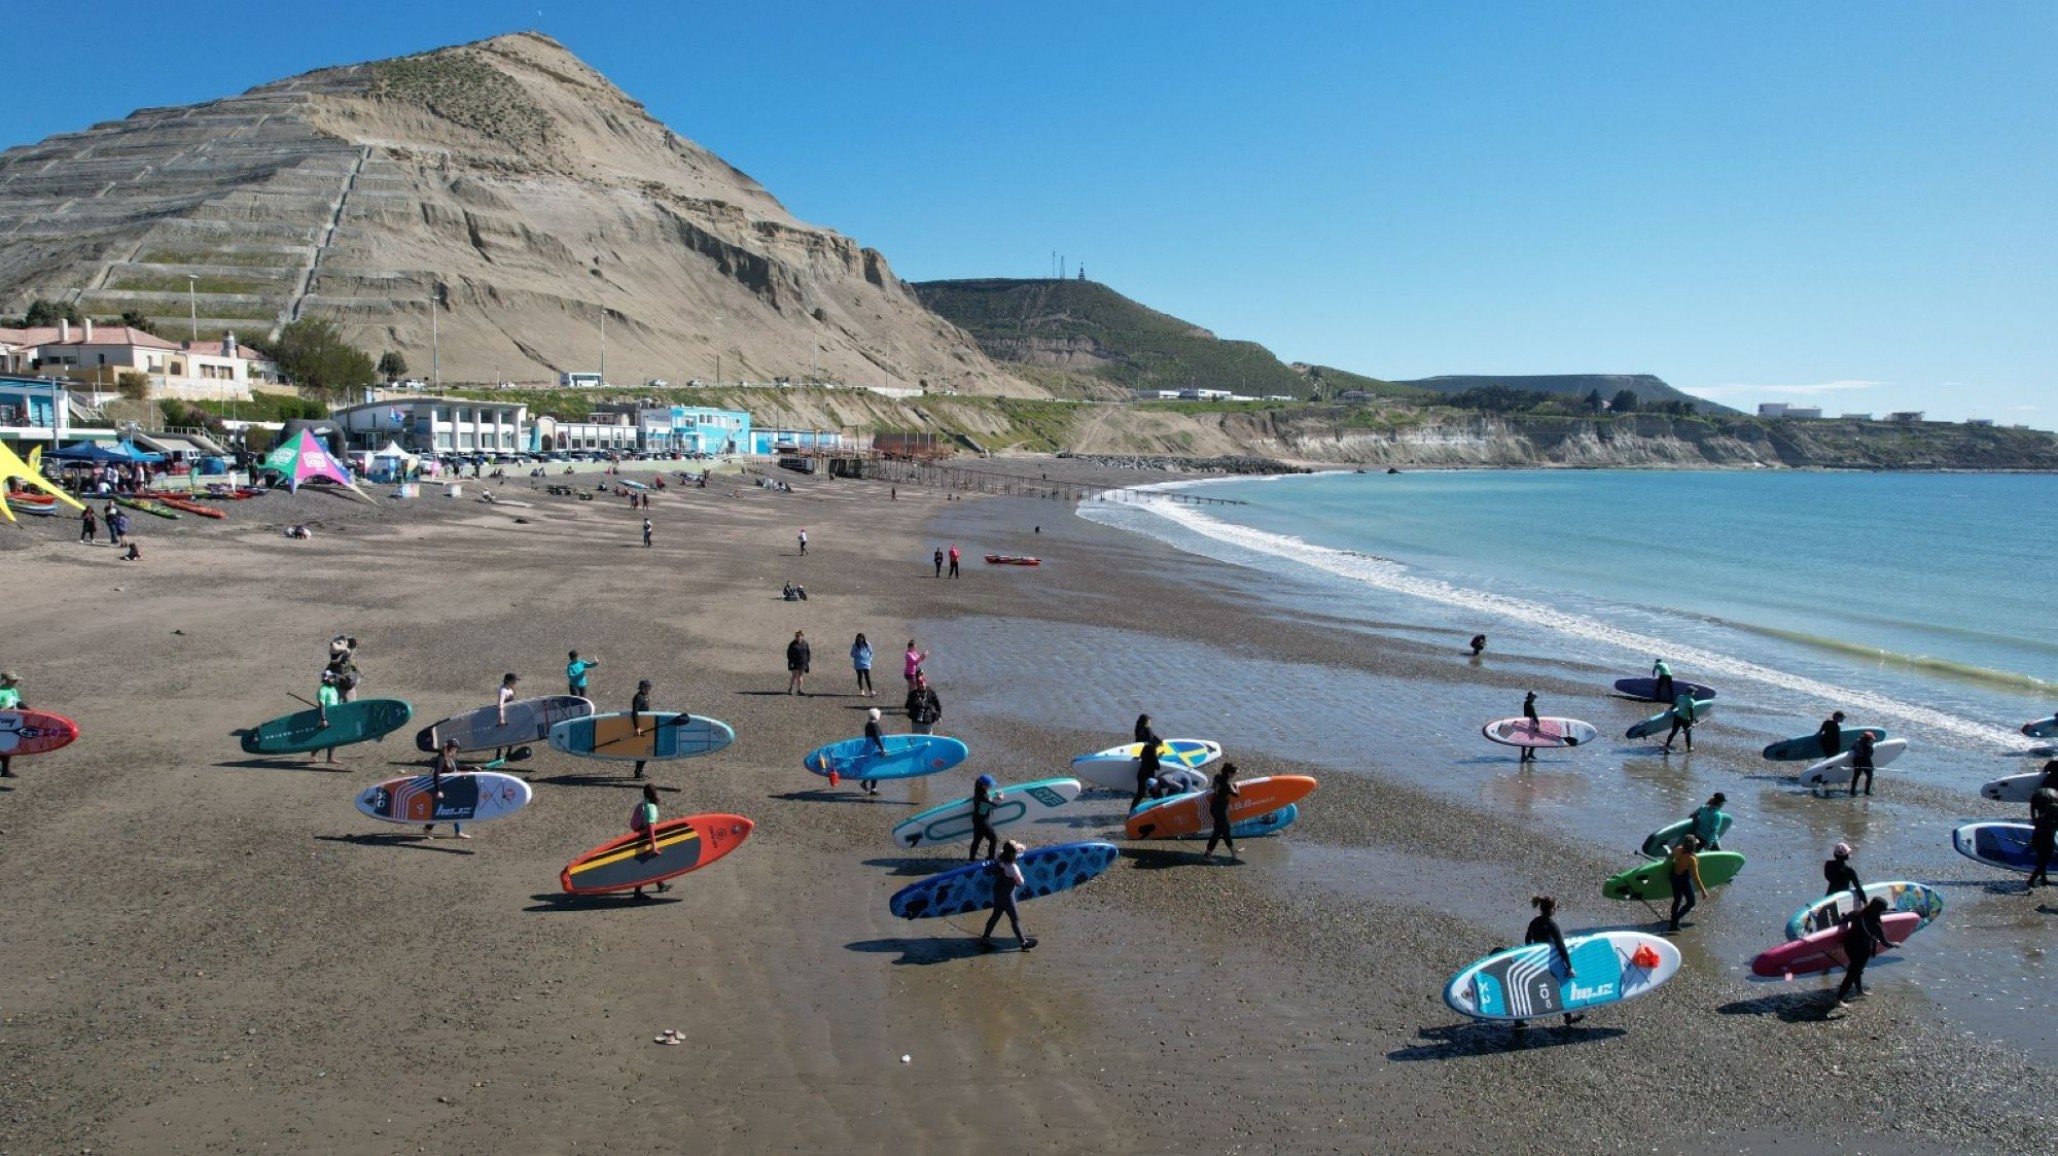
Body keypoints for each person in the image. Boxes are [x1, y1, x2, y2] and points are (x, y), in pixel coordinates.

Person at [1517, 896, 1585, 1029]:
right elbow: (1560, 946)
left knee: (1533, 988)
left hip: (1538, 960)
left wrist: (1532, 954)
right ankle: (1568, 1017)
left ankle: (1519, 1019)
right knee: (1558, 987)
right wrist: (1569, 966)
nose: (1556, 910)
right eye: (1555, 907)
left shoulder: (1534, 921)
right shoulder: (1551, 924)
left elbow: (1527, 939)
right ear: (1551, 909)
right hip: (1551, 961)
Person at [977, 840, 1036, 951]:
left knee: (996, 915)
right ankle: (1023, 943)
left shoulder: (1000, 856)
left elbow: (1018, 848)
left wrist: (1018, 848)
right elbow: (1020, 882)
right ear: (1013, 854)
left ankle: (985, 938)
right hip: (1007, 894)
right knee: (1015, 919)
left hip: (998, 890)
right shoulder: (1013, 868)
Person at [1834, 897, 1891, 1007]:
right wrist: (1896, 944)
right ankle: (1838, 1000)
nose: (1883, 912)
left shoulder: (1857, 913)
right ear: (1878, 910)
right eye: (1882, 910)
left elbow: (1842, 922)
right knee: (1852, 973)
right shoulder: (1875, 923)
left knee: (1857, 970)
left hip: (1849, 945)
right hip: (1861, 949)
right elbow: (1885, 942)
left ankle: (1859, 991)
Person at [422, 738, 469, 840]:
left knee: (455, 807)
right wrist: (438, 791)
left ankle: (458, 832)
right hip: (440, 790)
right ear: (451, 748)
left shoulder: (450, 758)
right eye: (456, 749)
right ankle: (427, 828)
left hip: (449, 789)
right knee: (439, 811)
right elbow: (436, 775)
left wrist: (475, 768)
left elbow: (460, 767)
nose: (456, 751)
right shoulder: (441, 759)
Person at [629, 783, 669, 900]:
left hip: (639, 836)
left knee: (651, 862)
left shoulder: (641, 804)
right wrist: (653, 845)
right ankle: (637, 892)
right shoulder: (651, 807)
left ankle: (660, 885)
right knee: (645, 864)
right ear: (654, 794)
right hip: (646, 838)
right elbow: (650, 826)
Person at [1665, 835, 1709, 932]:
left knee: (1677, 900)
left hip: (1674, 876)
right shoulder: (1691, 859)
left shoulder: (1677, 849)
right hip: (1683, 879)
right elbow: (1696, 878)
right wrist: (1703, 891)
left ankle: (1673, 923)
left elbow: (1669, 857)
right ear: (1693, 846)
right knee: (1691, 902)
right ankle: (1675, 919)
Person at [1203, 762, 1241, 862]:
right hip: (1220, 811)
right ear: (1229, 773)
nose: (1234, 775)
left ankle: (1233, 852)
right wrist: (1236, 786)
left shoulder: (1217, 777)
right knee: (1217, 832)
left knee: (1226, 830)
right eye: (1234, 774)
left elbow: (1213, 787)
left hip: (1214, 807)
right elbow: (1237, 794)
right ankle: (1207, 855)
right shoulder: (1227, 785)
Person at [2028, 788, 2058, 889]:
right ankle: (2031, 880)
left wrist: (2032, 843)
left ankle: (2043, 879)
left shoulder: (2040, 819)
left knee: (2041, 860)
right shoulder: (2053, 823)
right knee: (2044, 862)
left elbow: (2032, 808)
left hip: (2036, 841)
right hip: (2046, 843)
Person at [968, 774, 1002, 861]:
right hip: (982, 821)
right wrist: (1001, 798)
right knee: (993, 839)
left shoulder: (978, 791)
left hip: (977, 819)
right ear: (983, 785)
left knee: (976, 841)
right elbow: (996, 804)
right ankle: (990, 858)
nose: (990, 787)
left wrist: (993, 797)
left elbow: (988, 800)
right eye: (989, 785)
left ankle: (971, 860)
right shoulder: (984, 796)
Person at [313, 670, 343, 764]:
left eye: (332, 677)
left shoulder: (333, 688)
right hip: (327, 716)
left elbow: (336, 702)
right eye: (330, 677)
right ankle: (313, 754)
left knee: (335, 737)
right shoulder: (323, 690)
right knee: (325, 738)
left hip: (335, 716)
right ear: (326, 679)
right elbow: (322, 705)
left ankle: (330, 758)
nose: (333, 679)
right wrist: (323, 719)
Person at [858, 707, 887, 795]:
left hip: (868, 748)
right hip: (873, 749)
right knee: (875, 767)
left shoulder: (868, 725)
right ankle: (871, 788)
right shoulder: (874, 726)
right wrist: (882, 748)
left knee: (873, 767)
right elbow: (877, 738)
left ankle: (869, 785)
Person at [1131, 734, 1163, 812]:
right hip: (1149, 778)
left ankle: (1131, 811)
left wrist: (1157, 757)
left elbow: (1146, 759)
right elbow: (1157, 767)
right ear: (1156, 745)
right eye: (1158, 746)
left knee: (1140, 795)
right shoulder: (1153, 753)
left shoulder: (1145, 748)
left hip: (1141, 775)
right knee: (1158, 795)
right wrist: (1158, 757)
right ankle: (1160, 810)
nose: (1158, 747)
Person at [630, 678, 654, 779]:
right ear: (643, 687)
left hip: (646, 727)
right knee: (644, 750)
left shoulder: (645, 696)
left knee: (647, 751)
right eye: (648, 687)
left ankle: (639, 771)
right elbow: (634, 713)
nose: (650, 688)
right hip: (641, 729)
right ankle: (638, 772)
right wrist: (637, 727)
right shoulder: (638, 697)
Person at [0, 672, 23, 777]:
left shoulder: (13, 690)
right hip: (2, 723)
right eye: (13, 680)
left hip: (12, 722)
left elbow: (18, 703)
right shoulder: (0, 692)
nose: (15, 681)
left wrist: (32, 713)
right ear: (7, 680)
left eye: (16, 679)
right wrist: (6, 710)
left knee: (8, 747)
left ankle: (5, 771)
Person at [493, 672, 520, 761]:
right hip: (505, 715)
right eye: (514, 680)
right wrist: (501, 718)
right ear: (508, 681)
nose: (515, 682)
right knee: (502, 735)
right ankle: (498, 756)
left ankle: (508, 753)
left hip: (511, 714)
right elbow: (500, 704)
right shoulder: (503, 690)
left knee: (513, 734)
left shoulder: (509, 688)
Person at [1848, 731, 1877, 796]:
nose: (1872, 740)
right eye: (1871, 738)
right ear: (1868, 739)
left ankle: (1852, 791)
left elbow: (1852, 749)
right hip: (1864, 761)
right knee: (1869, 775)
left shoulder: (1858, 741)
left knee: (1856, 776)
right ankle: (1867, 791)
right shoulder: (1868, 745)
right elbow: (1867, 756)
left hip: (1856, 760)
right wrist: (1871, 766)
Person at [786, 630, 811, 696]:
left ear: (802, 637)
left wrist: (807, 661)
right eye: (797, 637)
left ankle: (799, 690)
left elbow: (808, 653)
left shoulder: (805, 643)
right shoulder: (792, 644)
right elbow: (789, 654)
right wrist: (790, 662)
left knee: (800, 676)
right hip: (794, 662)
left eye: (799, 636)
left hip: (802, 662)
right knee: (794, 676)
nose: (798, 638)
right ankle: (790, 689)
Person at [1519, 691, 1541, 763]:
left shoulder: (1526, 703)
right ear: (1531, 697)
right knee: (1533, 738)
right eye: (1534, 697)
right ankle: (1528, 754)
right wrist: (1538, 724)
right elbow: (1534, 715)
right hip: (1530, 723)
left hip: (1526, 722)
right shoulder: (1530, 705)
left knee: (1525, 739)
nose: (1534, 699)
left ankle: (1524, 755)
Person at [851, 633, 875, 697]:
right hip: (858, 663)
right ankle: (862, 690)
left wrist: (870, 660)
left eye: (861, 638)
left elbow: (871, 652)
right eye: (859, 638)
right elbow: (852, 655)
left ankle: (871, 691)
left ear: (864, 638)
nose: (860, 639)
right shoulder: (855, 645)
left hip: (866, 663)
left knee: (867, 677)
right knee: (860, 677)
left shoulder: (867, 644)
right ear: (857, 638)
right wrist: (856, 652)